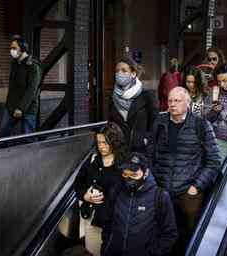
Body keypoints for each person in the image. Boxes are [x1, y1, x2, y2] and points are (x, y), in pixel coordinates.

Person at [152, 87, 221, 255]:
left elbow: (214, 161)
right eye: (170, 101)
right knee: (164, 238)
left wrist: (196, 187)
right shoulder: (159, 122)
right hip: (162, 191)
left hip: (188, 192)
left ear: (187, 103)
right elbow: (149, 154)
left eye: (177, 101)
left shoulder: (201, 125)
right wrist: (154, 183)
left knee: (191, 238)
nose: (172, 104)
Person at [101, 152, 178, 256]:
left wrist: (153, 253)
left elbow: (170, 234)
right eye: (125, 174)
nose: (129, 179)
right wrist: (106, 248)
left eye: (134, 175)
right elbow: (107, 224)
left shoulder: (160, 197)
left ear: (145, 173)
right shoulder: (116, 192)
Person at [74, 122, 127, 256]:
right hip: (92, 219)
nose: (101, 146)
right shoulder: (93, 160)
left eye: (105, 142)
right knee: (93, 252)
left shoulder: (124, 163)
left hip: (115, 222)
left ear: (114, 141)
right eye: (99, 142)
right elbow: (78, 183)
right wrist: (85, 195)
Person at [108, 56, 158, 154]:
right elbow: (111, 123)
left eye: (124, 70)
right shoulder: (112, 97)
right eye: (117, 71)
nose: (119, 73)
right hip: (119, 150)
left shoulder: (147, 96)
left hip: (140, 151)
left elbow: (154, 122)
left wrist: (146, 139)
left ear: (133, 74)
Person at [0, 35, 42, 137]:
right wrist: (9, 105)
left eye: (14, 48)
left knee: (27, 136)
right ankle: (6, 152)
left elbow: (31, 90)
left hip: (28, 108)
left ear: (23, 49)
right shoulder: (15, 63)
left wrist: (21, 108)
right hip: (12, 105)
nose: (11, 50)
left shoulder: (33, 66)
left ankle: (32, 152)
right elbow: (12, 88)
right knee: (4, 129)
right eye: (11, 48)